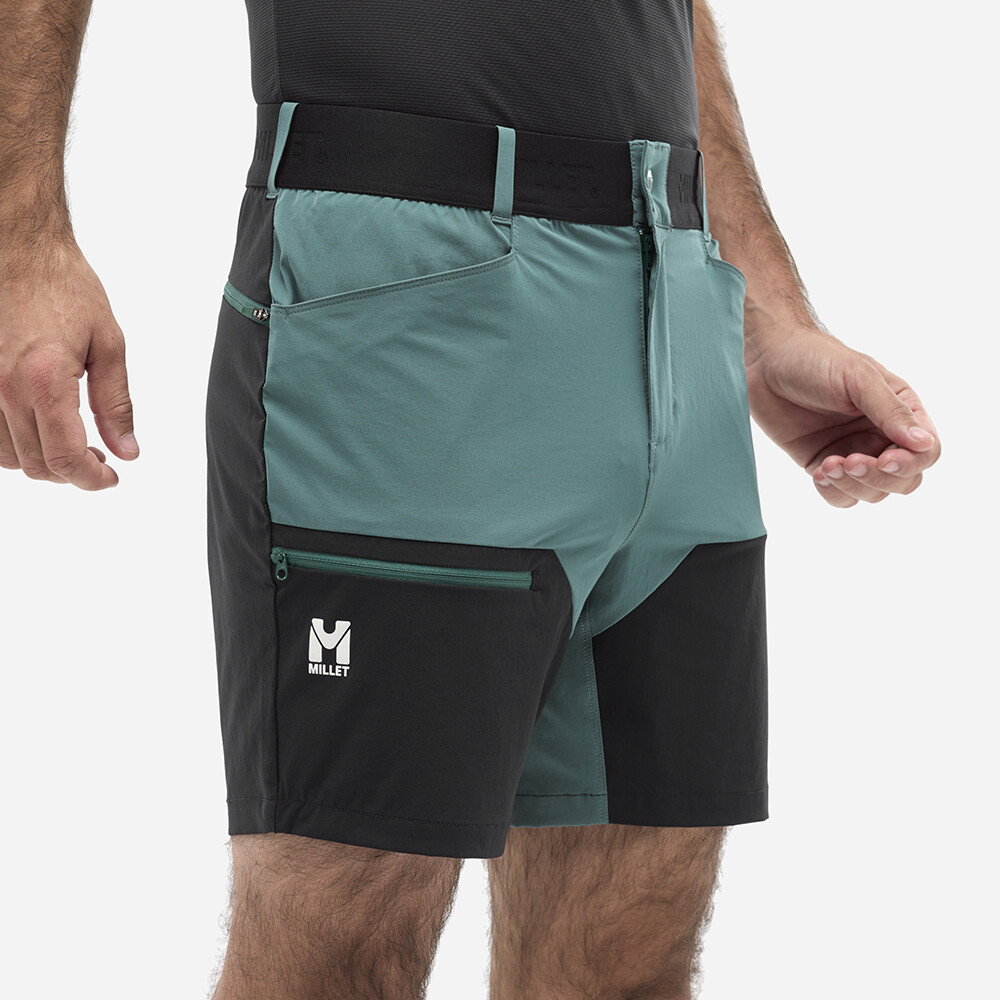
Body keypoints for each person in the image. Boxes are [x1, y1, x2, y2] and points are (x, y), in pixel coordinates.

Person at [0, 1, 941, 997]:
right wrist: (18, 239)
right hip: (409, 297)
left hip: (676, 293)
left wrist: (765, 308)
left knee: (629, 950)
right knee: (340, 952)